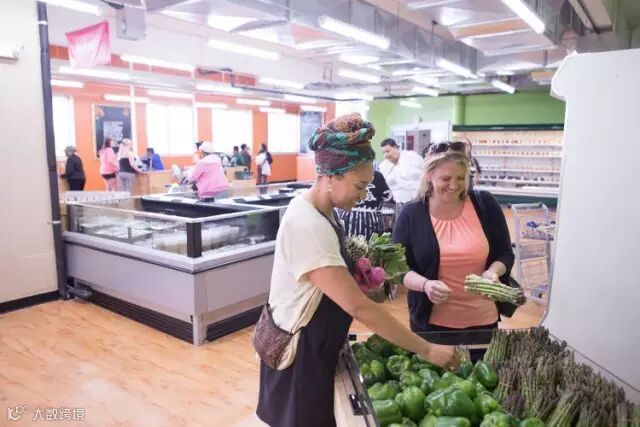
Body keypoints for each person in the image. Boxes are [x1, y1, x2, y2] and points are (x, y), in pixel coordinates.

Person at [256, 113, 457, 427]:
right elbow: (358, 307)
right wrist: (427, 349)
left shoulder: (324, 211)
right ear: (331, 176)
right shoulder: (308, 224)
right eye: (360, 186)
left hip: (321, 341)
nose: (364, 195)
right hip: (301, 352)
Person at [392, 142, 515, 341]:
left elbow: (505, 253)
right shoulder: (411, 213)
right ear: (429, 175)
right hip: (432, 325)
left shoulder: (485, 204)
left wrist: (493, 272)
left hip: (483, 320)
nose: (454, 185)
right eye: (445, 178)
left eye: (460, 178)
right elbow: (398, 269)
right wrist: (426, 285)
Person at [337, 170, 394, 238]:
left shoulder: (346, 173)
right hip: (370, 221)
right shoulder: (376, 175)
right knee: (370, 243)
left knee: (349, 242)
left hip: (348, 218)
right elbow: (388, 196)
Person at [378, 138, 425, 203]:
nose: (386, 155)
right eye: (383, 153)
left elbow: (425, 173)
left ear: (395, 148)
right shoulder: (384, 166)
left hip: (417, 200)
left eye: (388, 151)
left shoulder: (412, 156)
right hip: (394, 203)